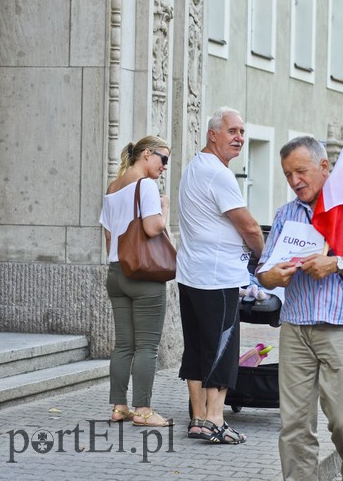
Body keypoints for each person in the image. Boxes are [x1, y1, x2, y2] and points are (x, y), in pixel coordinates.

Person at [257, 136, 343, 481]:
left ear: (324, 166)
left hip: (342, 327)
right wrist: (271, 276)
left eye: (301, 171)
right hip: (296, 329)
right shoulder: (286, 214)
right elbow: (263, 272)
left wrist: (336, 264)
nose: (294, 180)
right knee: (295, 426)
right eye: (287, 174)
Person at [176, 107, 265, 444]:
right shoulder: (219, 174)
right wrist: (263, 257)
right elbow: (249, 225)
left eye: (242, 132)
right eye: (232, 131)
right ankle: (215, 419)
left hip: (191, 273)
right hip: (218, 277)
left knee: (197, 347)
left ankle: (198, 417)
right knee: (222, 347)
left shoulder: (194, 168)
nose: (239, 138)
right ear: (213, 134)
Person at [99, 135, 172, 427]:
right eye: (162, 158)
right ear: (145, 154)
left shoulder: (113, 187)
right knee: (147, 347)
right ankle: (143, 411)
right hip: (143, 274)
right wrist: (164, 207)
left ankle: (119, 407)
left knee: (123, 345)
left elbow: (107, 235)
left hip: (116, 271)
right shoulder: (147, 186)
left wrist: (119, 260)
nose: (164, 166)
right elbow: (153, 227)